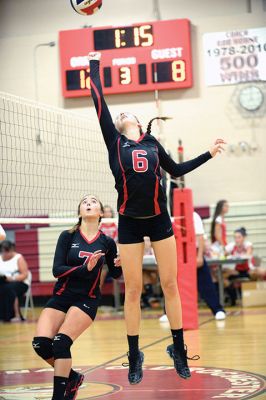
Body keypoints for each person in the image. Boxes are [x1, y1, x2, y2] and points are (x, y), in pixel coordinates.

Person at [89, 51, 225, 384]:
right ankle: (134, 354)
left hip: (159, 220)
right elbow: (99, 102)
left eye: (127, 112)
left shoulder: (151, 143)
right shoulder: (114, 141)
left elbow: (176, 170)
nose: (121, 113)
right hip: (130, 222)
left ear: (137, 119)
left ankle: (178, 350)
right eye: (119, 114)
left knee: (170, 285)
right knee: (133, 290)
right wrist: (94, 65)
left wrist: (208, 153)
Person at [32, 195, 122, 400]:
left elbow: (116, 275)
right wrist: (85, 268)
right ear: (79, 212)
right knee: (40, 344)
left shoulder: (107, 242)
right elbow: (57, 270)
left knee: (61, 343)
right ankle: (72, 378)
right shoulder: (67, 236)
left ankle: (59, 396)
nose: (89, 203)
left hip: (86, 299)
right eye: (84, 202)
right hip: (62, 296)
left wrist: (120, 263)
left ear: (101, 213)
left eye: (93, 202)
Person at [159, 212, 226, 322]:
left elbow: (200, 236)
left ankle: (218, 310)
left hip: (192, 252)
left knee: (205, 283)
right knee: (171, 283)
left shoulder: (194, 215)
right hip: (175, 253)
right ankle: (167, 312)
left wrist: (199, 256)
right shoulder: (167, 215)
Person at [0, 240, 29, 322]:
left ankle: (16, 315)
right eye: (2, 252)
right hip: (4, 282)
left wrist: (12, 278)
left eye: (6, 252)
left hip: (19, 282)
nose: (4, 254)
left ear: (11, 250)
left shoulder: (18, 258)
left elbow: (24, 275)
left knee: (9, 289)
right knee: (4, 287)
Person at [99, 205, 118, 290]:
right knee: (103, 268)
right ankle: (96, 292)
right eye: (105, 211)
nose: (107, 213)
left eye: (109, 211)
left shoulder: (116, 223)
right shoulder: (100, 224)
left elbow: (119, 240)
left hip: (115, 252)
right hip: (104, 252)